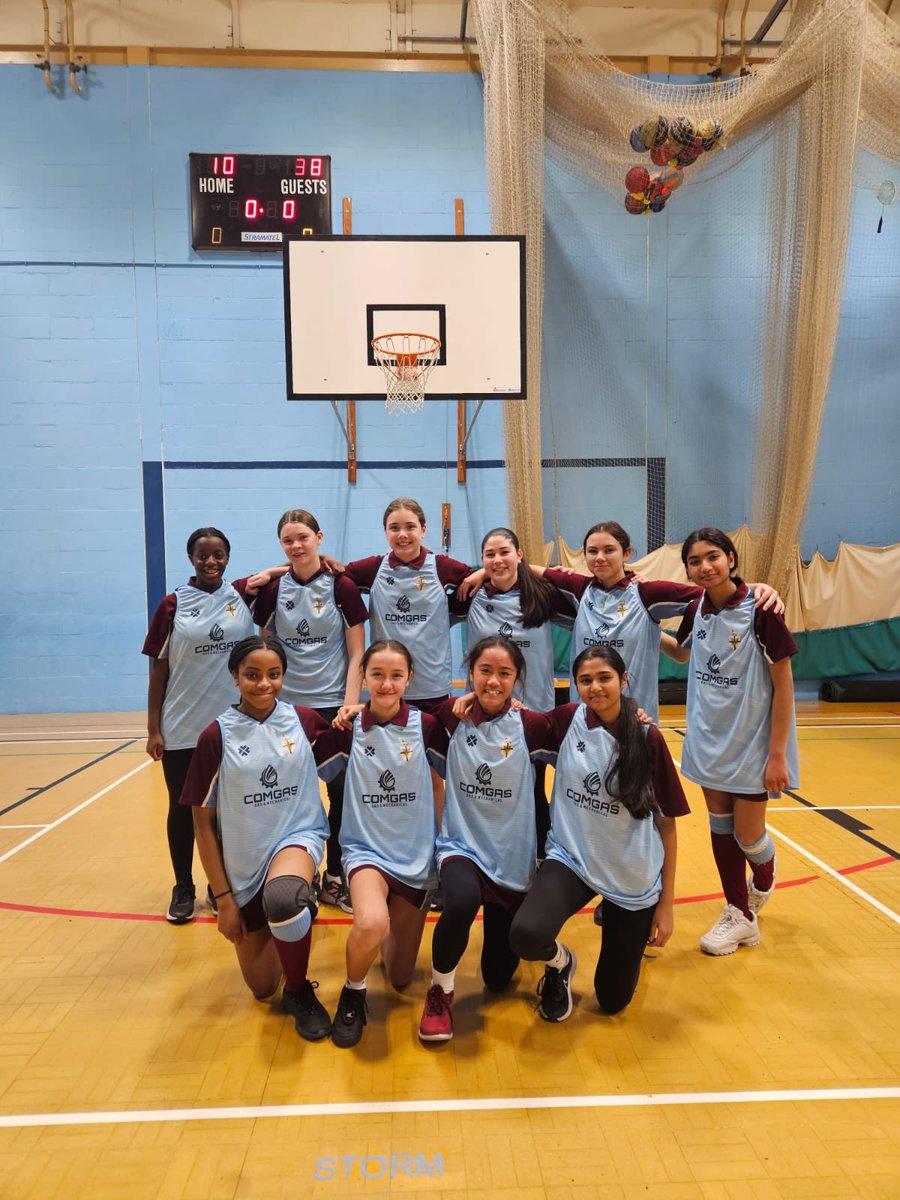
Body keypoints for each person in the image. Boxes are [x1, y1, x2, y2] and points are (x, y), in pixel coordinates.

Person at [509, 645, 690, 1022]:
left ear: (623, 680)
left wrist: (666, 904)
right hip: (572, 858)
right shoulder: (568, 719)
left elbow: (667, 825)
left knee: (611, 1001)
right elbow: (513, 722)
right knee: (526, 934)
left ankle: (626, 928)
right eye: (585, 680)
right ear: (576, 685)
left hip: (630, 874)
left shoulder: (647, 737)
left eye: (605, 678)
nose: (595, 687)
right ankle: (561, 963)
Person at [464, 521, 783, 726]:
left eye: (609, 550)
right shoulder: (579, 589)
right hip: (584, 716)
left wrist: (752, 588)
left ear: (626, 553)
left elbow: (706, 590)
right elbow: (536, 570)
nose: (600, 557)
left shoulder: (646, 592)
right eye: (592, 551)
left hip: (635, 718)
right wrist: (485, 570)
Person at [180, 635, 333, 1041]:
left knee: (283, 899)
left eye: (274, 674)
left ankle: (300, 991)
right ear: (235, 677)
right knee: (262, 987)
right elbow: (202, 824)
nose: (264, 684)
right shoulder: (217, 736)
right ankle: (290, 921)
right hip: (245, 861)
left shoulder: (303, 720)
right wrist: (225, 899)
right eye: (252, 675)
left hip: (297, 839)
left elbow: (358, 747)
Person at [669, 527, 799, 956]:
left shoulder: (761, 610)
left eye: (712, 557)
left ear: (730, 559)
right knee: (719, 827)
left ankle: (763, 878)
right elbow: (683, 652)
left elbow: (784, 686)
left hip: (751, 743)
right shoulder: (697, 608)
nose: (704, 567)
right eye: (694, 561)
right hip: (707, 738)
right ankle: (740, 914)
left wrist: (777, 755)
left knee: (748, 834)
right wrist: (642, 629)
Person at [418, 635, 552, 1042]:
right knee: (460, 900)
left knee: (498, 979)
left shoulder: (533, 726)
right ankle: (440, 992)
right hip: (462, 847)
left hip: (511, 857)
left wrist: (635, 713)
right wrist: (352, 710)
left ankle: (549, 959)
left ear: (517, 678)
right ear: (470, 673)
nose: (494, 681)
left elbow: (591, 719)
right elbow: (394, 716)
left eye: (504, 673)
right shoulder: (448, 717)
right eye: (485, 671)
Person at [316, 640, 447, 1048]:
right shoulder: (345, 730)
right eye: (377, 675)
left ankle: (390, 921)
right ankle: (353, 993)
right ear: (363, 678)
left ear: (410, 678)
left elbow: (440, 782)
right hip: (366, 852)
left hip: (415, 856)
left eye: (395, 675)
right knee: (371, 922)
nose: (386, 684)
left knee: (401, 976)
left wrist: (440, 842)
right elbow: (302, 776)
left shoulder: (426, 726)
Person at [252, 509, 368, 914]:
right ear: (282, 546)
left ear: (319, 537)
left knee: (340, 795)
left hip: (334, 707)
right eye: (288, 540)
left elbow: (357, 653)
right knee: (290, 795)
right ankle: (296, 876)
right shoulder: (271, 591)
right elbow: (265, 652)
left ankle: (335, 876)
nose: (297, 545)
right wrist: (267, 706)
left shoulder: (343, 587)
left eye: (303, 537)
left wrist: (350, 705)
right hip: (287, 712)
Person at [142, 526, 257, 924]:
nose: (211, 562)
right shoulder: (173, 604)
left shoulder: (243, 595)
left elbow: (286, 572)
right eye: (203, 555)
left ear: (228, 557)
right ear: (191, 558)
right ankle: (183, 887)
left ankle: (218, 884)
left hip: (231, 727)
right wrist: (154, 728)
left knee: (227, 810)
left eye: (219, 554)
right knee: (183, 809)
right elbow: (159, 668)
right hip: (182, 726)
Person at [454, 527, 575, 858]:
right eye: (489, 555)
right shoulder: (472, 595)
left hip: (532, 715)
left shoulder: (543, 595)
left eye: (504, 552)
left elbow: (592, 602)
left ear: (520, 555)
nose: (497, 560)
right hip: (482, 716)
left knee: (533, 791)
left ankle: (539, 857)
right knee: (484, 789)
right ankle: (482, 853)